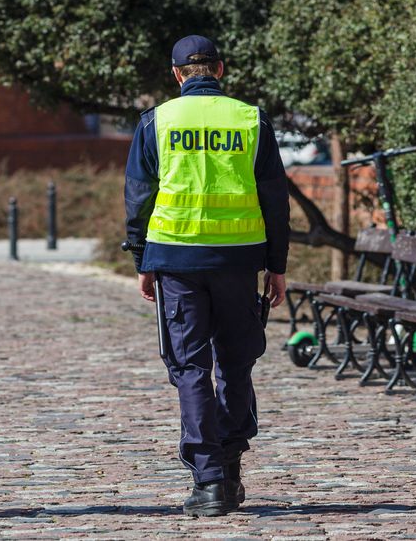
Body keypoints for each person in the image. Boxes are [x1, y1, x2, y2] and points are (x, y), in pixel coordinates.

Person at [124, 35, 289, 517]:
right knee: (236, 363)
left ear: (177, 75)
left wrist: (142, 260)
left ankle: (209, 480)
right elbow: (275, 201)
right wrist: (276, 266)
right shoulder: (251, 120)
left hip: (176, 261)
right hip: (239, 261)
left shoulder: (157, 121)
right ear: (221, 69)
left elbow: (138, 197)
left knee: (191, 368)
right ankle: (232, 465)